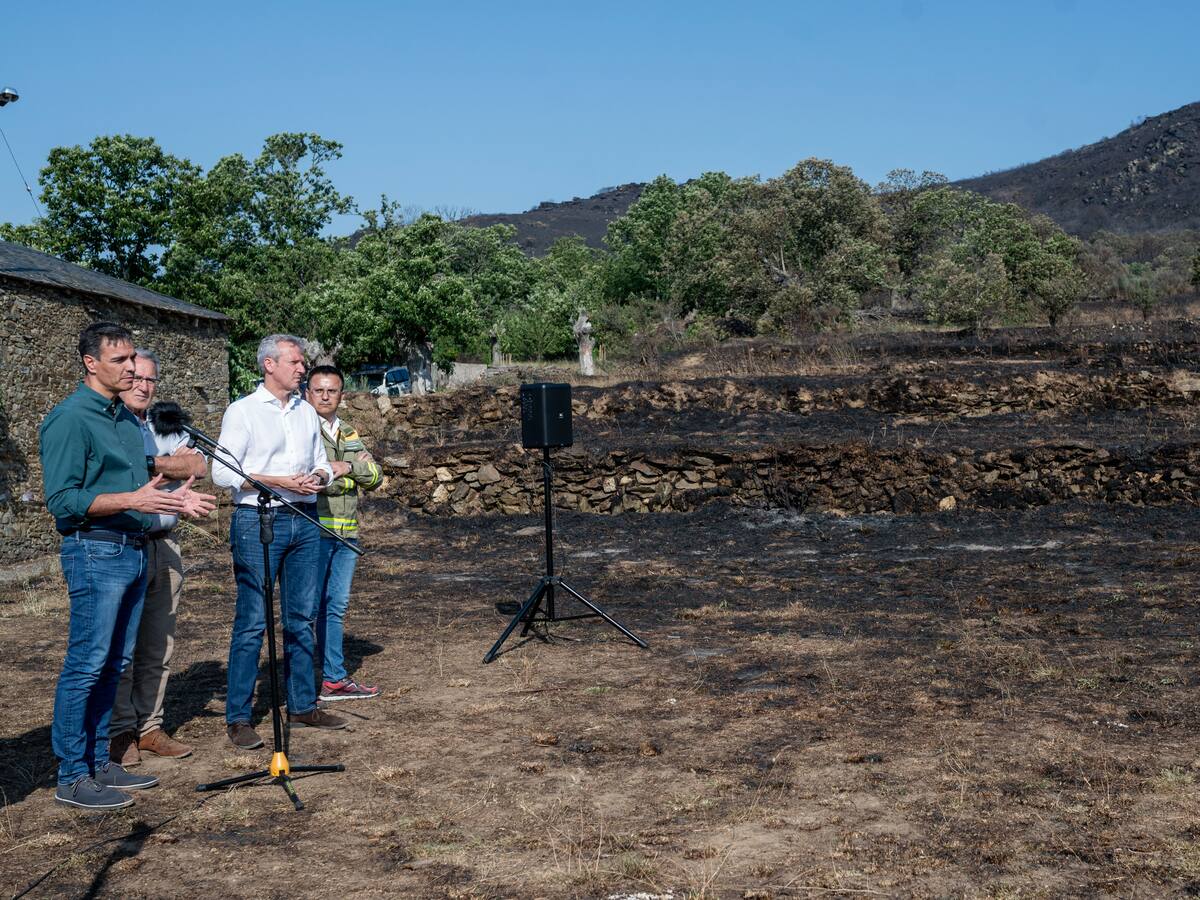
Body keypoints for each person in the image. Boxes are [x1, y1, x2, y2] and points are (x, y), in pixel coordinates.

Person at [40, 322, 215, 810]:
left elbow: (144, 478)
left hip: (134, 548)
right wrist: (131, 497)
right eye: (120, 360)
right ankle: (72, 775)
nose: (132, 368)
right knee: (87, 665)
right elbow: (62, 500)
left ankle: (100, 763)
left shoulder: (121, 417)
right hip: (95, 550)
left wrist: (172, 499)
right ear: (90, 363)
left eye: (132, 358)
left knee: (115, 663)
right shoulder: (69, 419)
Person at [211, 334, 347, 751]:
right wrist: (275, 480)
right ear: (269, 365)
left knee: (302, 617)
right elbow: (222, 473)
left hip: (305, 520)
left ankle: (303, 704)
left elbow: (322, 463)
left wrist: (319, 478)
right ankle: (239, 717)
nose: (302, 368)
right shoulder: (243, 411)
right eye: (295, 361)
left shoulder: (306, 413)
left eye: (302, 362)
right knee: (253, 621)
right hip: (258, 519)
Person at [109, 350, 208, 767]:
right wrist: (168, 467)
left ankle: (151, 726)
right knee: (122, 645)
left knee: (159, 644)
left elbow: (197, 465)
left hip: (164, 544)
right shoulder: (109, 425)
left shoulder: (158, 425)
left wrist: (152, 462)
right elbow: (121, 478)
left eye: (150, 380)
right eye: (136, 379)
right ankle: (120, 732)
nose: (143, 387)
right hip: (121, 544)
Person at [306, 365, 385, 701]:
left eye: (332, 390)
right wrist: (351, 473)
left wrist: (346, 468)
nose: (325, 396)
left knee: (335, 607)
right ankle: (305, 680)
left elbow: (377, 476)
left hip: (346, 533)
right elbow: (311, 481)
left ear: (342, 394)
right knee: (309, 609)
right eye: (319, 390)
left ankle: (334, 679)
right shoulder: (303, 431)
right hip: (314, 530)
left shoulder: (348, 432)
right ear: (307, 393)